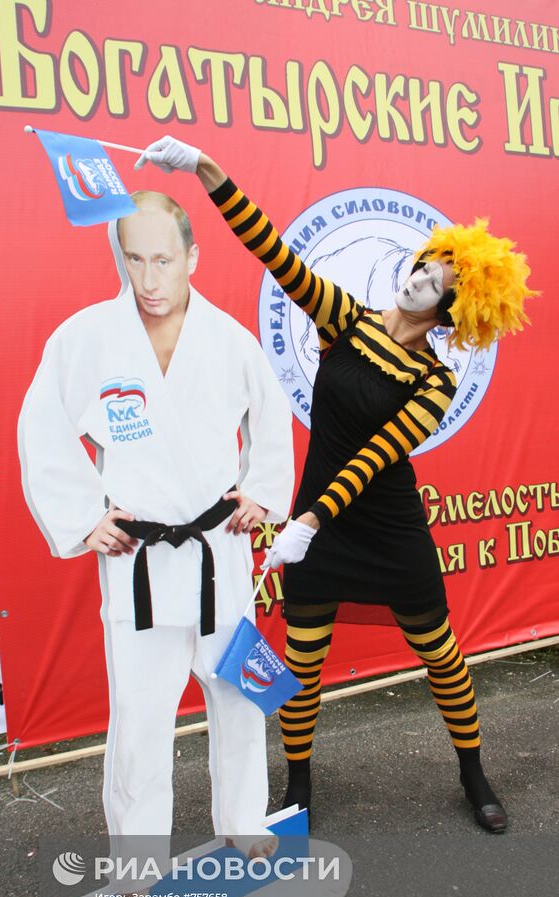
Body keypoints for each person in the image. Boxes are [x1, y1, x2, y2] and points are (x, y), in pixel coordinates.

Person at [135, 135, 538, 834]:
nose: (420, 277)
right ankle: (299, 783)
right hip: (317, 524)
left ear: (453, 310)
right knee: (302, 657)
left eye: (439, 281)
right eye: (425, 265)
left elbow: (377, 456)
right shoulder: (344, 320)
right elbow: (275, 253)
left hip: (382, 526)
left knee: (440, 652)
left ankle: (473, 772)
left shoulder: (434, 379)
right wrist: (206, 168)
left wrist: (308, 522)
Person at [18, 190, 294, 897]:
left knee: (238, 697)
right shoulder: (86, 339)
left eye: (162, 259)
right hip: (139, 561)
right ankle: (136, 874)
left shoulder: (231, 341)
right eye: (133, 259)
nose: (148, 278)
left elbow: (270, 424)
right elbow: (42, 430)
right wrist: (84, 516)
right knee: (140, 722)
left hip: (217, 552)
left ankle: (243, 821)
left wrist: (263, 494)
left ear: (192, 257)